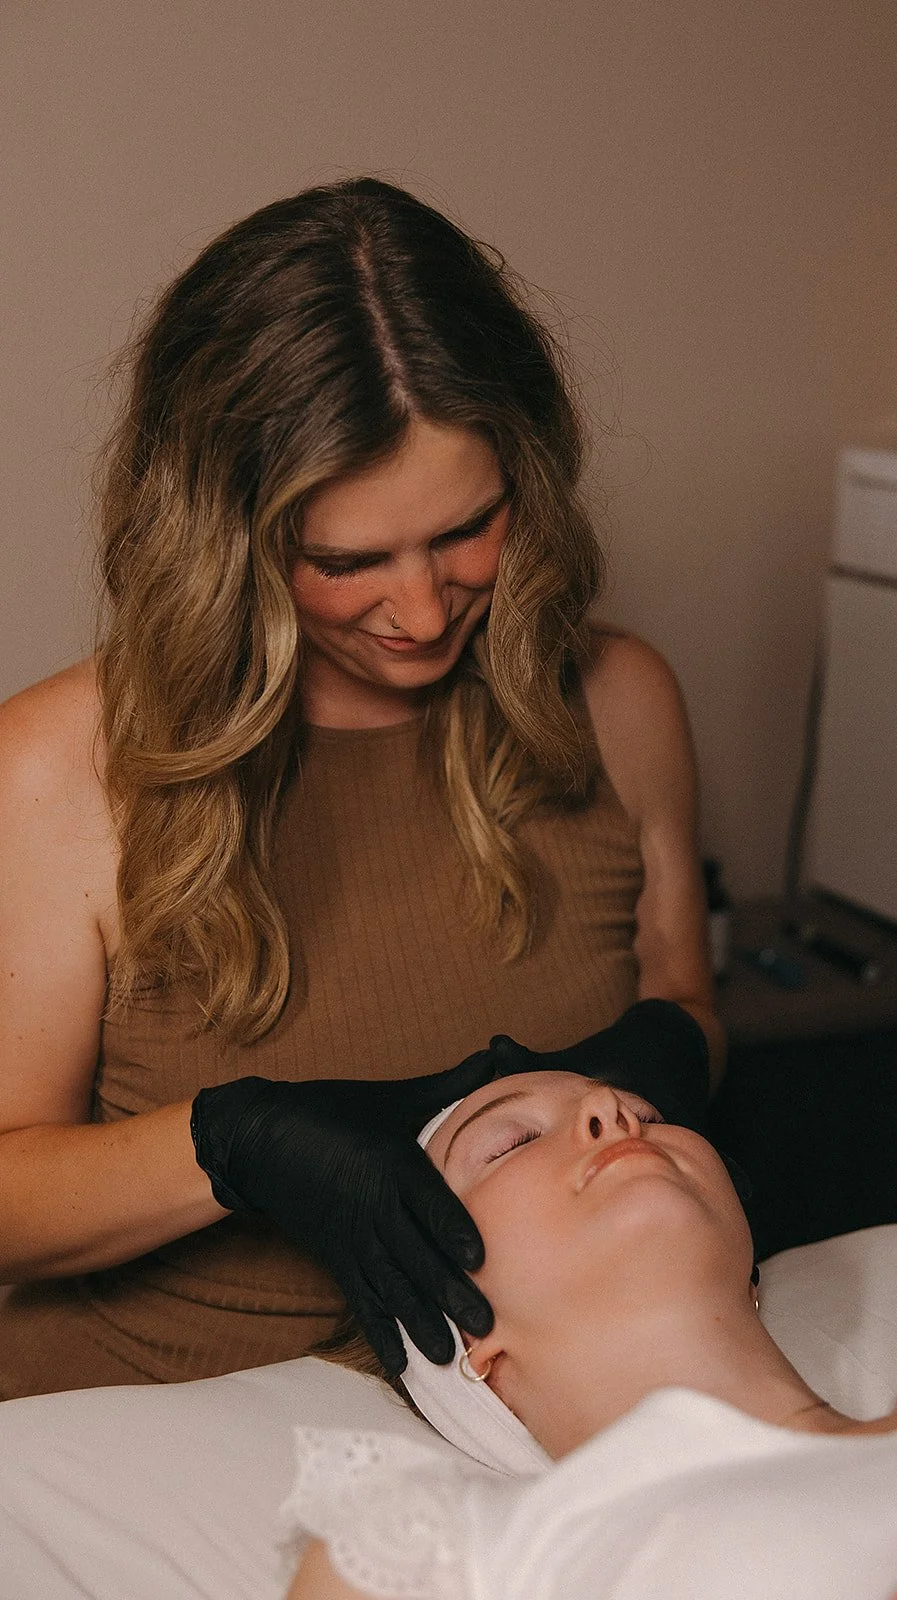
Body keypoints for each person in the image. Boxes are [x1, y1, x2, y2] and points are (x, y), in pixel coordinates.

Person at [0, 177, 720, 1398]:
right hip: (162, 1435)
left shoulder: (618, 700)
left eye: (464, 531)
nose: (424, 609)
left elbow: (684, 998)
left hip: (531, 1423)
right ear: (222, 536)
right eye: (347, 559)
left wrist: (655, 1054)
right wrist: (233, 1147)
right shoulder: (59, 767)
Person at [284, 1067, 897, 1600]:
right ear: (462, 1344)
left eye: (648, 1115)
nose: (613, 1113)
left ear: (751, 1272)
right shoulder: (461, 1555)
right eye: (510, 1143)